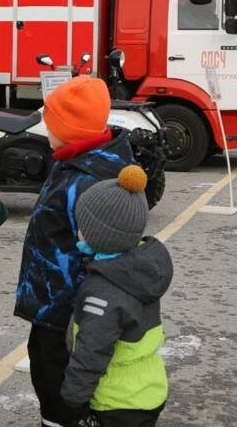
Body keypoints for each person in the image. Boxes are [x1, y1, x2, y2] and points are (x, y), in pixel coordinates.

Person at [15, 75, 137, 427]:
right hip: (55, 301)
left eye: (51, 125)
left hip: (67, 308)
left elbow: (102, 252)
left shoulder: (86, 179)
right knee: (44, 361)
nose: (46, 132)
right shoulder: (80, 161)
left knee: (57, 381)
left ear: (69, 131)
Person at [60, 165, 173, 427]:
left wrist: (73, 399)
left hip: (117, 402)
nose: (78, 232)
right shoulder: (139, 270)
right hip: (147, 390)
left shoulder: (103, 292)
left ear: (102, 236)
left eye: (83, 227)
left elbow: (92, 352)